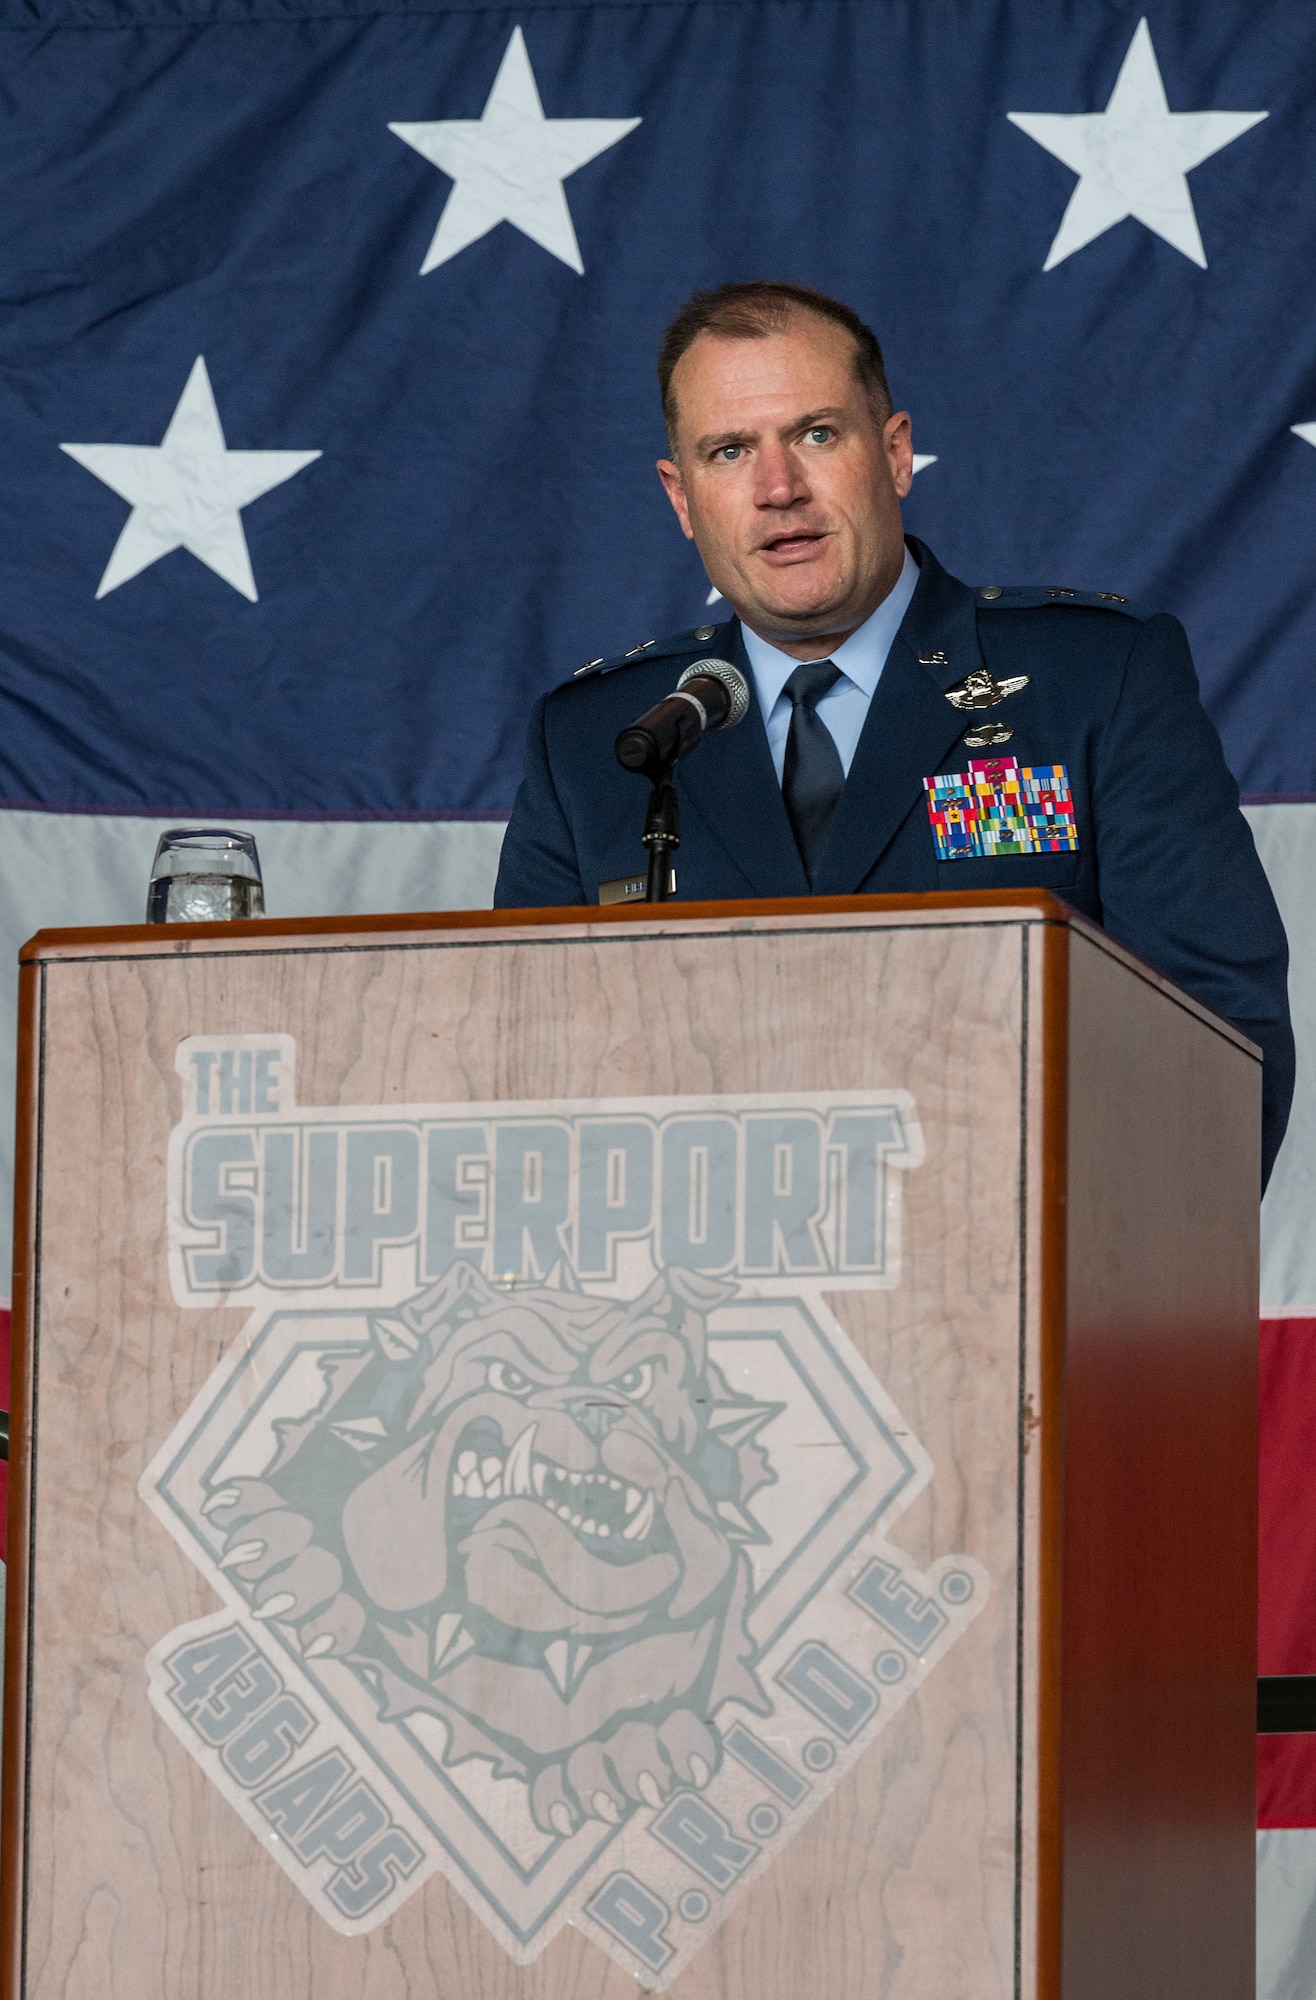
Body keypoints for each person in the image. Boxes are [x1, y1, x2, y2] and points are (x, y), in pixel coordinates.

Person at [494, 281, 1293, 1183]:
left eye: (816, 434)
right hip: (699, 1301)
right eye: (729, 451)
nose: (778, 488)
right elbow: (526, 1080)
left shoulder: (1095, 678)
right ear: (682, 500)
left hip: (1027, 1285)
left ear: (897, 452)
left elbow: (1217, 1037)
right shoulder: (603, 740)